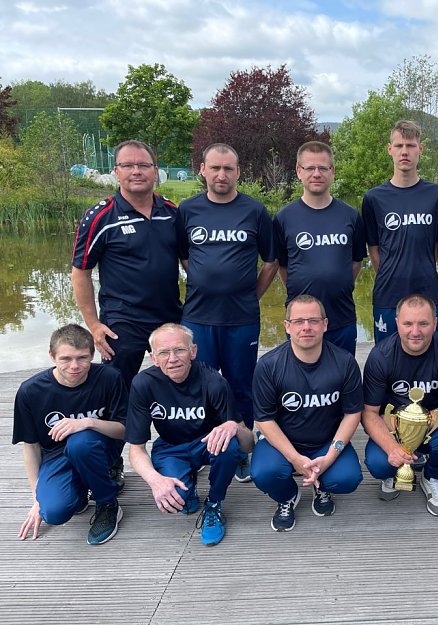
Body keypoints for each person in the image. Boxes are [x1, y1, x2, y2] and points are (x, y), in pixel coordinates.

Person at [177, 143, 277, 482]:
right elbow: (184, 256)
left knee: (240, 386)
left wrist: (250, 293)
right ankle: (204, 445)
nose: (222, 175)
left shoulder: (255, 211)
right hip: (198, 317)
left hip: (241, 318)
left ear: (238, 172)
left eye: (229, 169)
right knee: (198, 386)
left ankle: (242, 447)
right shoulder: (188, 210)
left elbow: (271, 261)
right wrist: (207, 281)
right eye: (215, 168)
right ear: (202, 169)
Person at [126, 323, 253, 546]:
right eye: (163, 353)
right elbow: (136, 450)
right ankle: (188, 486)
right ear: (153, 358)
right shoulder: (143, 383)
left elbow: (249, 443)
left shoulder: (213, 381)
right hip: (171, 445)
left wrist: (235, 426)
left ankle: (214, 504)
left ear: (193, 351)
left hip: (207, 442)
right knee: (178, 501)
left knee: (230, 446)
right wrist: (156, 481)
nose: (172, 358)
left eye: (179, 350)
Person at [71, 140, 185, 386]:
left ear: (155, 171)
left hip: (169, 317)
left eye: (144, 165)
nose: (136, 171)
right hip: (122, 322)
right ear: (116, 172)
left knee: (177, 389)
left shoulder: (172, 213)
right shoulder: (100, 217)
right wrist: (93, 325)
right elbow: (80, 272)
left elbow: (189, 264)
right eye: (128, 165)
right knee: (117, 392)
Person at [250, 295, 363, 532]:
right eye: (299, 321)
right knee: (264, 473)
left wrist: (330, 457)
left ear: (325, 324)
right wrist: (294, 458)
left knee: (348, 478)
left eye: (313, 320)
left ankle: (322, 486)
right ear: (287, 326)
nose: (306, 327)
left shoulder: (345, 363)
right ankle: (288, 496)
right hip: (282, 443)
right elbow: (264, 419)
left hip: (325, 443)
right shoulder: (269, 365)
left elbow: (352, 414)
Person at [13, 324, 126, 545]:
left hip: (99, 446)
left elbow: (124, 429)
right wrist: (38, 498)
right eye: (66, 359)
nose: (74, 366)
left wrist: (87, 423)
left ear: (93, 355)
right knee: (54, 512)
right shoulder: (30, 391)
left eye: (82, 358)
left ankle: (107, 502)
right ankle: (80, 491)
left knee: (80, 442)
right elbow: (31, 446)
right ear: (52, 356)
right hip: (56, 455)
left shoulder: (109, 378)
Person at [361, 294, 438, 516]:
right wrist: (393, 447)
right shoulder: (380, 356)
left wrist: (417, 424)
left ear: (436, 323)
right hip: (392, 429)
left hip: (434, 428)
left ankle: (432, 477)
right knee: (378, 463)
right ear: (397, 322)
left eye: (423, 323)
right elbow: (369, 414)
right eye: (408, 323)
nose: (415, 331)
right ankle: (394, 472)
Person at [273, 141, 366, 355]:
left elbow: (356, 261)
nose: (317, 174)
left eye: (323, 168)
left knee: (342, 378)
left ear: (332, 172)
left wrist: (336, 283)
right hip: (301, 321)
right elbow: (283, 266)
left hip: (341, 316)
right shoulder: (284, 218)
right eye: (310, 168)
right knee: (300, 380)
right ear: (298, 171)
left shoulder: (351, 216)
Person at [362, 120, 438, 341]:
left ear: (420, 149)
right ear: (389, 149)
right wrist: (392, 272)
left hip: (427, 293)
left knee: (427, 360)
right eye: (399, 145)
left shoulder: (437, 195)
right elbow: (374, 247)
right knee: (386, 362)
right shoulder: (374, 198)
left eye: (410, 145)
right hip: (387, 296)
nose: (404, 152)